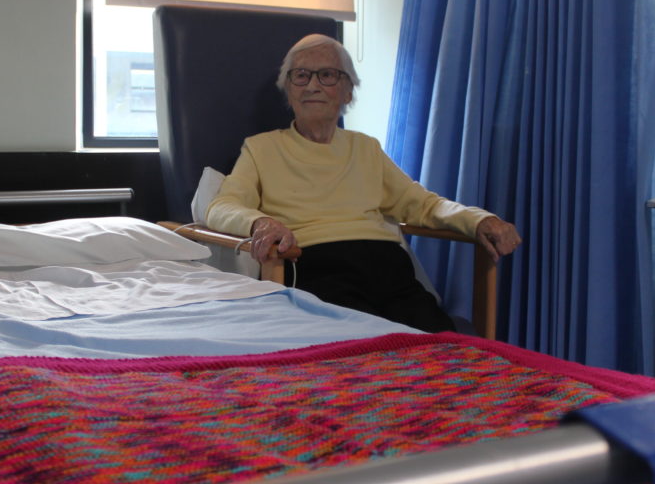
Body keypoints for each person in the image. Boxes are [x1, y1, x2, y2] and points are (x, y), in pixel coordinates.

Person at [204, 34, 522, 333]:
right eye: (300, 75)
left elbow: (424, 205)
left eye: (327, 75)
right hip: (314, 266)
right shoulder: (261, 148)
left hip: (388, 270)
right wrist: (260, 223)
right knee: (361, 357)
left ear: (348, 92)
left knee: (445, 351)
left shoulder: (365, 147)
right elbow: (221, 207)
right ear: (289, 89)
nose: (312, 85)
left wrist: (479, 219)